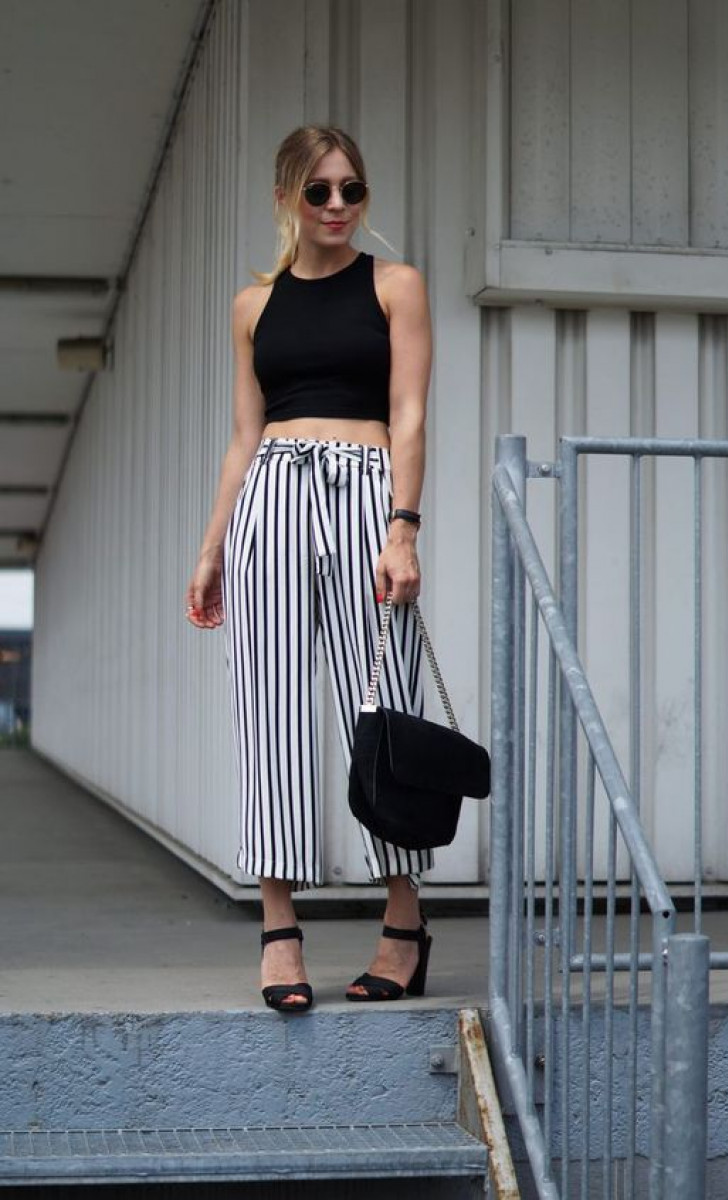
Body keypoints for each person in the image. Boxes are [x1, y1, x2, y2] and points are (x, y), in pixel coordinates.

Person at [185, 126, 434, 1013]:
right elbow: (243, 435)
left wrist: (403, 529)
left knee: (382, 704)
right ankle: (280, 928)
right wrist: (213, 545)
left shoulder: (395, 286)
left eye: (352, 190)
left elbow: (408, 414)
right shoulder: (253, 306)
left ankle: (403, 921)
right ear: (288, 196)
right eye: (320, 191)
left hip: (368, 493)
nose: (337, 207)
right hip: (272, 500)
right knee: (272, 706)